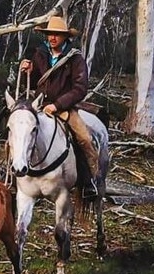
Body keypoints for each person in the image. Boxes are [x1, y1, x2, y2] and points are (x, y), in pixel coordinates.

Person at [20, 16, 99, 197]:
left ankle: (88, 182)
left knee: (84, 138)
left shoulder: (75, 58)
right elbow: (32, 84)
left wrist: (57, 105)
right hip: (39, 105)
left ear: (65, 37)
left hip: (65, 108)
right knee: (18, 129)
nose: (52, 38)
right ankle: (12, 173)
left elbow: (80, 89)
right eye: (49, 34)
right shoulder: (40, 53)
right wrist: (27, 71)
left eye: (57, 34)